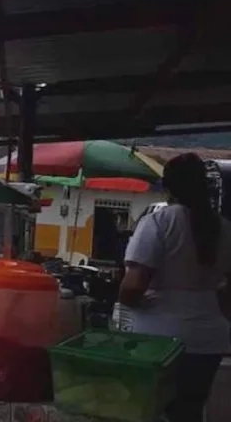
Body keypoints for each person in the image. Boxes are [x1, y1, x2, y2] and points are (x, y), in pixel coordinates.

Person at [117, 153, 231, 422]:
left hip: (159, 341)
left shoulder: (159, 222)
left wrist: (121, 299)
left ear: (167, 188)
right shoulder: (224, 228)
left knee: (151, 411)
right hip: (209, 339)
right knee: (189, 413)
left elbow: (133, 288)